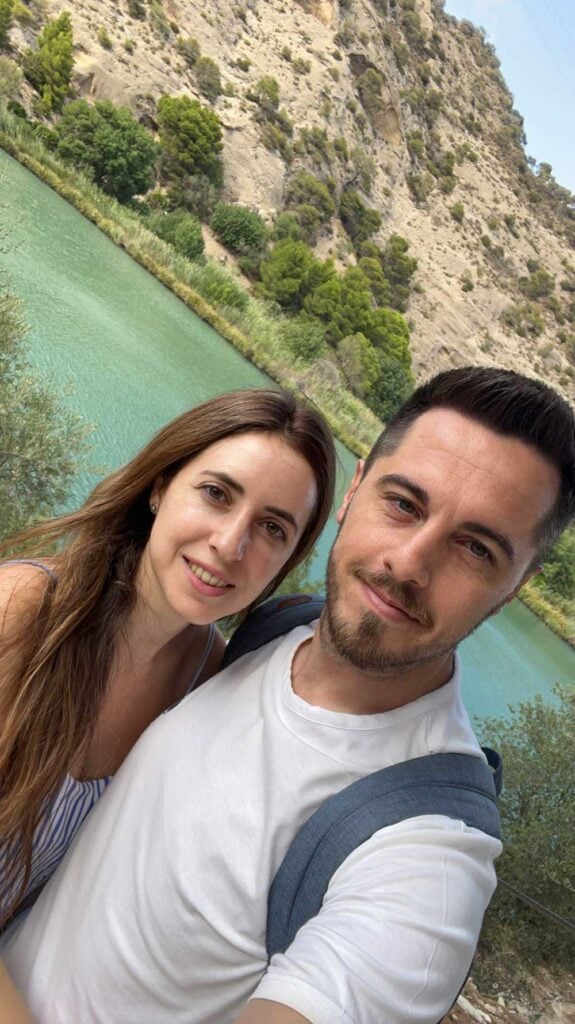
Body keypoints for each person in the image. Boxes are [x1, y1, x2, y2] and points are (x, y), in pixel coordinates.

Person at [5, 368, 575, 1024]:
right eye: (403, 504)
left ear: (518, 584)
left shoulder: (427, 853)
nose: (409, 563)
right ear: (355, 488)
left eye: (474, 548)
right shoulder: (260, 636)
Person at [0, 388, 336, 934]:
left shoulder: (207, 683)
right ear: (161, 486)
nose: (230, 544)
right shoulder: (24, 612)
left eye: (272, 528)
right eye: (216, 493)